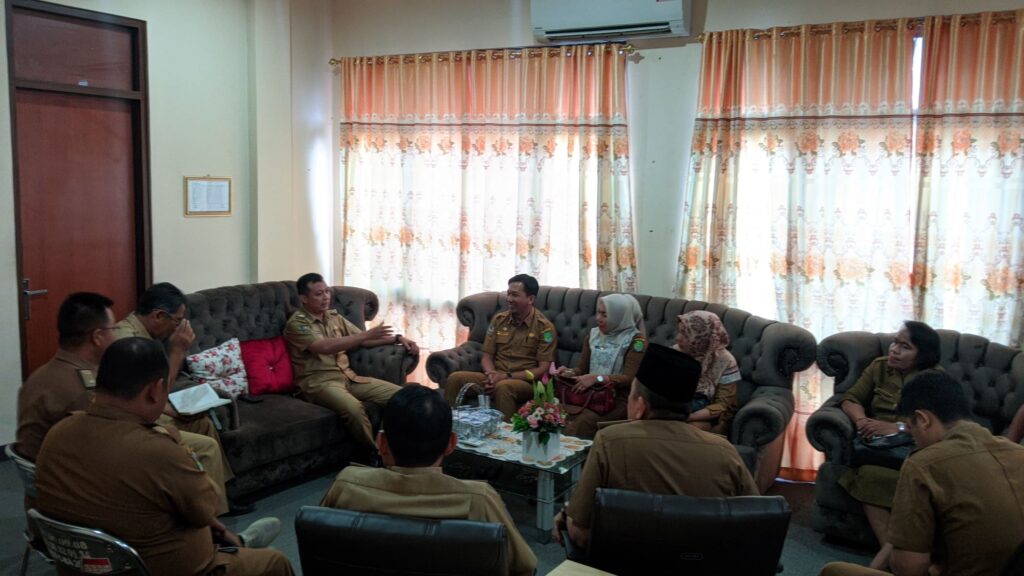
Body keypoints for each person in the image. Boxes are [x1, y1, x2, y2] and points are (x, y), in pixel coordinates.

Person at [34, 338, 293, 576]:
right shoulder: (158, 450)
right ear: (155, 390)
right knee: (275, 561)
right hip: (168, 569)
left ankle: (235, 544)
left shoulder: (57, 433)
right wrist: (179, 445)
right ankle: (233, 549)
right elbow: (207, 506)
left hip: (83, 566)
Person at [554, 343, 758, 551]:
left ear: (640, 407)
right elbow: (757, 523)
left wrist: (566, 514)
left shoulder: (608, 442)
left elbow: (580, 534)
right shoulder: (725, 451)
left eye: (631, 396)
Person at [819, 371, 1024, 576]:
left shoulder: (923, 464)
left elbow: (909, 569)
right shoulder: (1018, 453)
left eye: (910, 430)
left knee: (833, 571)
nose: (915, 441)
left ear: (923, 420)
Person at [320, 384, 537, 576]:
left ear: (381, 443)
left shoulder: (346, 485)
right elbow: (525, 566)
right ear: (451, 444)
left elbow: (319, 546)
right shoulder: (479, 500)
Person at [115, 282, 238, 515]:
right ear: (158, 316)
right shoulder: (130, 343)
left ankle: (220, 494)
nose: (179, 327)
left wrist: (172, 409)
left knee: (203, 423)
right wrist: (178, 351)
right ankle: (213, 519)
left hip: (145, 408)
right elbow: (154, 395)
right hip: (132, 423)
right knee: (207, 446)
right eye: (177, 321)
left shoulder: (147, 334)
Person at [838, 320, 941, 569]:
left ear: (922, 355)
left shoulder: (935, 379)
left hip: (914, 453)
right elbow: (850, 398)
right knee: (868, 475)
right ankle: (896, 565)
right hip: (879, 450)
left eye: (905, 347)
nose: (894, 350)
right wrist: (861, 420)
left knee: (900, 485)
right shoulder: (880, 367)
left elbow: (939, 426)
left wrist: (898, 428)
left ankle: (884, 566)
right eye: (895, 342)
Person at [284, 272, 419, 454]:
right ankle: (374, 455)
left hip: (348, 377)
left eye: (327, 291)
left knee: (402, 397)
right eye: (318, 294)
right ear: (303, 298)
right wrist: (364, 335)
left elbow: (364, 340)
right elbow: (323, 347)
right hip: (319, 383)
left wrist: (398, 338)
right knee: (354, 409)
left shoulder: (333, 317)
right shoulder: (297, 324)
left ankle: (397, 448)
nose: (325, 297)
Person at [16, 292, 118, 463]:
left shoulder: (39, 375)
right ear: (97, 337)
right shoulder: (85, 392)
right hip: (68, 476)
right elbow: (106, 449)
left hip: (41, 472)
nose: (116, 336)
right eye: (114, 329)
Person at [444, 274, 557, 419]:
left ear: (530, 299)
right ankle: (446, 425)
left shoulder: (544, 328)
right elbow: (487, 356)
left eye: (515, 295)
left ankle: (505, 432)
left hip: (525, 382)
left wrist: (505, 377)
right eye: (508, 294)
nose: (509, 299)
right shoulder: (499, 320)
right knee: (455, 378)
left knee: (503, 387)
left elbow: (542, 369)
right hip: (496, 376)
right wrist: (491, 375)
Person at [557, 293, 647, 437]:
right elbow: (581, 369)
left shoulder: (636, 340)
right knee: (552, 411)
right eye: (598, 312)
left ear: (618, 316)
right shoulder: (593, 336)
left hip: (617, 400)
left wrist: (598, 378)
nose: (598, 318)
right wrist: (568, 372)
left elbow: (629, 378)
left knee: (583, 421)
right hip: (590, 396)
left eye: (605, 315)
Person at [672, 310, 740, 434]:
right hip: (676, 408)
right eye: (679, 332)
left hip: (707, 416)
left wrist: (689, 417)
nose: (678, 339)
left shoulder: (726, 362)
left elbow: (723, 406)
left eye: (685, 335)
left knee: (683, 431)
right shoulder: (677, 351)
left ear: (702, 338)